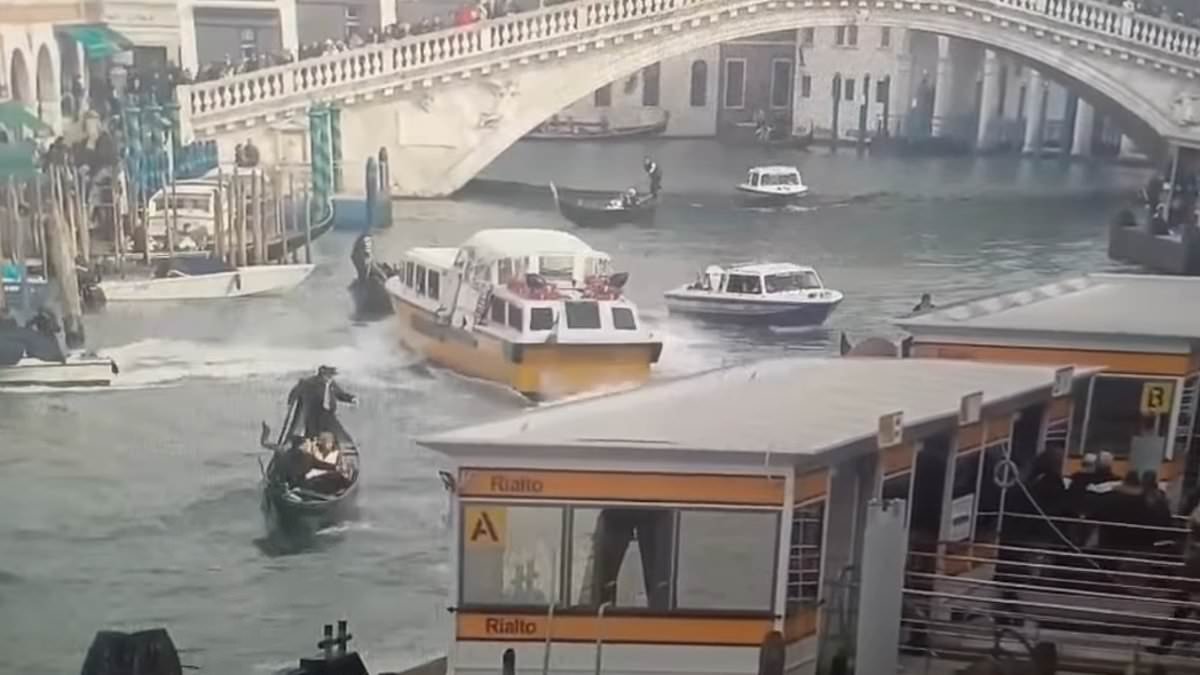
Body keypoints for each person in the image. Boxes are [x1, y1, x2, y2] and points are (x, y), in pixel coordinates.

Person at [287, 365, 357, 440]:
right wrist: (291, 401)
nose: (330, 378)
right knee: (313, 436)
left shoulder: (331, 384)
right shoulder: (310, 382)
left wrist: (351, 399)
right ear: (322, 374)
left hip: (329, 415)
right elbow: (296, 391)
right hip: (314, 415)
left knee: (338, 435)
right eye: (328, 375)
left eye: (332, 375)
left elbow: (339, 394)